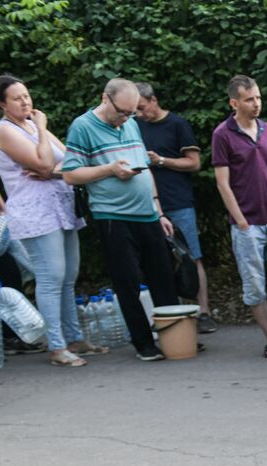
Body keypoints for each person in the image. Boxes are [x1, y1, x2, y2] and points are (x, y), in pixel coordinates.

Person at [60, 78, 181, 361]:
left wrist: (158, 209)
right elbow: (70, 174)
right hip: (112, 215)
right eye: (122, 112)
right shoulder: (82, 126)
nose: (126, 118)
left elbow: (146, 168)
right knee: (127, 281)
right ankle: (144, 344)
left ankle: (175, 336)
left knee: (163, 276)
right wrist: (110, 169)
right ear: (105, 98)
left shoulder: (131, 124)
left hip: (147, 214)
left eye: (132, 112)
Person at [0, 74, 93, 367]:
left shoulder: (32, 126)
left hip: (62, 206)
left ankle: (74, 337)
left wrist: (52, 169)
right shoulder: (5, 131)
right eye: (17, 98)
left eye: (27, 95)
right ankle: (57, 347)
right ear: (2, 104)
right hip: (35, 214)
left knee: (69, 276)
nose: (25, 102)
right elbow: (46, 162)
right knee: (51, 278)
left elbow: (72, 160)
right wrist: (44, 133)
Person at [212, 75, 267, 358]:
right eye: (249, 99)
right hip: (247, 225)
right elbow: (222, 182)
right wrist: (241, 221)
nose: (256, 103)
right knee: (255, 285)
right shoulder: (222, 135)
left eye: (258, 97)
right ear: (234, 102)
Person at [135, 82, 214, 333]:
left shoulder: (177, 124)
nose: (139, 114)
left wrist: (160, 160)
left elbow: (194, 163)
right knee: (159, 262)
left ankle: (204, 313)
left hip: (178, 202)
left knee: (192, 257)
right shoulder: (135, 126)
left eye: (142, 108)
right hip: (147, 205)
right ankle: (175, 315)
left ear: (154, 100)